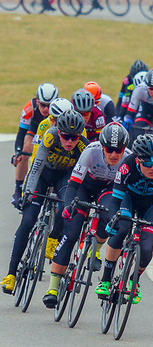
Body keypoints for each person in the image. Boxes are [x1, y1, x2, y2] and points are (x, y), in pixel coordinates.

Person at [42, 122, 131, 308]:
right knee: (71, 233)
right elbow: (73, 184)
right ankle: (53, 288)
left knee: (111, 218)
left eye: (119, 150)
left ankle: (94, 248)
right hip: (84, 186)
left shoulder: (129, 158)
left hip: (108, 189)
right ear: (102, 146)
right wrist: (68, 206)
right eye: (110, 149)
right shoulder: (91, 151)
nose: (114, 154)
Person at [1, 110, 88, 294]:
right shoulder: (50, 136)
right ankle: (11, 274)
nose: (70, 141)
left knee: (67, 208)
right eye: (66, 137)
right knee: (28, 220)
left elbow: (81, 178)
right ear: (58, 131)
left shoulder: (83, 145)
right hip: (43, 175)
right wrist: (28, 193)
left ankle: (52, 237)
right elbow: (35, 167)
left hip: (63, 179)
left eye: (74, 137)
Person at [95, 134, 153, 303]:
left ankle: (134, 281)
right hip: (128, 199)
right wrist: (112, 220)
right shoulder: (126, 166)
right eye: (147, 162)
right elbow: (115, 201)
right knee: (122, 229)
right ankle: (106, 279)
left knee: (147, 248)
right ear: (138, 161)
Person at [11, 83, 59, 208]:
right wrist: (18, 152)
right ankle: (18, 189)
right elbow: (21, 133)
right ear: (37, 101)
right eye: (43, 105)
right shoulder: (29, 107)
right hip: (35, 127)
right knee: (25, 149)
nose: (46, 109)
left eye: (49, 106)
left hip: (53, 131)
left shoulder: (60, 108)